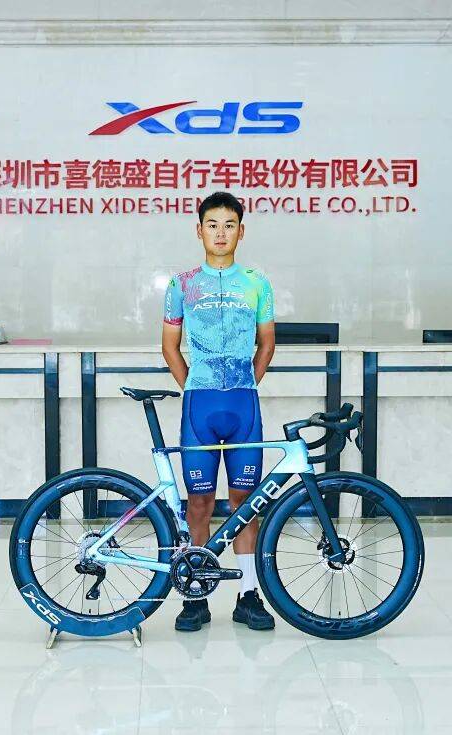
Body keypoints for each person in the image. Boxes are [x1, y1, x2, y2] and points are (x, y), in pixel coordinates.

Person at [161, 191, 277, 632]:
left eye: (229, 225)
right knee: (199, 501)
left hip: (244, 404)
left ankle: (248, 595)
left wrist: (246, 383)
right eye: (212, 225)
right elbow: (170, 347)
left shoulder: (257, 283)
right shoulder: (182, 284)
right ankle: (197, 594)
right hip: (200, 405)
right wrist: (195, 387)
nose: (221, 233)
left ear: (241, 232)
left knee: (246, 502)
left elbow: (267, 343)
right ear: (199, 231)